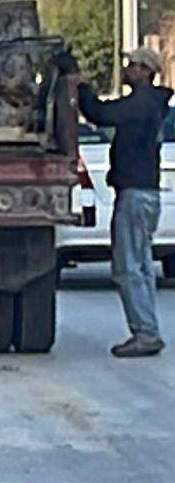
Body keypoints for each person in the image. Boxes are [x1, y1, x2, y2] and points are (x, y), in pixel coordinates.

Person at [76, 46, 169, 357]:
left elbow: (101, 114)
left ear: (145, 71)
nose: (126, 69)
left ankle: (145, 333)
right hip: (144, 194)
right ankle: (148, 330)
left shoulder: (141, 104)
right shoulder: (150, 104)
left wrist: (80, 86)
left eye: (131, 65)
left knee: (128, 267)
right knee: (141, 265)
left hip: (134, 195)